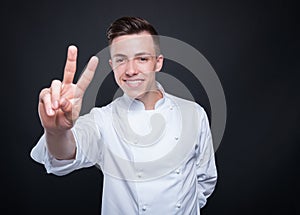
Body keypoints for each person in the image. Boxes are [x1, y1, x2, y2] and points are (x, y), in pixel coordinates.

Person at [31, 16, 217, 214]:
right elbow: (65, 153)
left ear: (158, 63)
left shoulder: (194, 114)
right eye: (121, 60)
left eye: (142, 59)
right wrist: (57, 132)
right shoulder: (103, 119)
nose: (130, 70)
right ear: (112, 65)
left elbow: (204, 179)